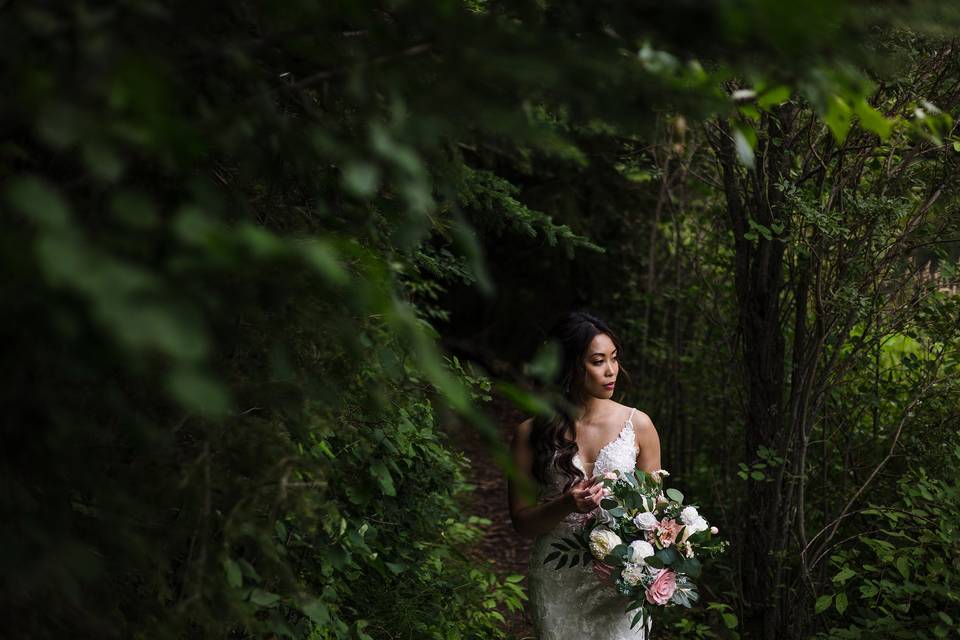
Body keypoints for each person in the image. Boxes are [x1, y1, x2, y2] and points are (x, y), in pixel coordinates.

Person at [508, 311, 662, 639]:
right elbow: (522, 523)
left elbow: (655, 516)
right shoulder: (530, 434)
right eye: (597, 361)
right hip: (557, 575)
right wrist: (565, 504)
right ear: (571, 366)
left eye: (614, 359)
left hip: (622, 578)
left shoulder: (639, 425)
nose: (611, 371)